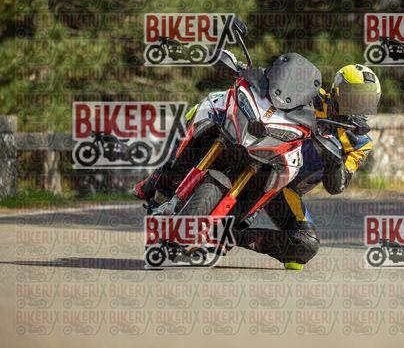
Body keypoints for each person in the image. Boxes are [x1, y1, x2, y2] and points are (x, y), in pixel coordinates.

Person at [134, 63, 381, 270]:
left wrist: (335, 159)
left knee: (305, 245)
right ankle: (164, 177)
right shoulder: (313, 95)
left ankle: (227, 234)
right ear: (337, 90)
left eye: (365, 100)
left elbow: (336, 186)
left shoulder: (360, 141)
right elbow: (279, 87)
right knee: (209, 113)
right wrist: (257, 72)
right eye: (354, 96)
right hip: (265, 150)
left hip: (286, 189)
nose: (358, 104)